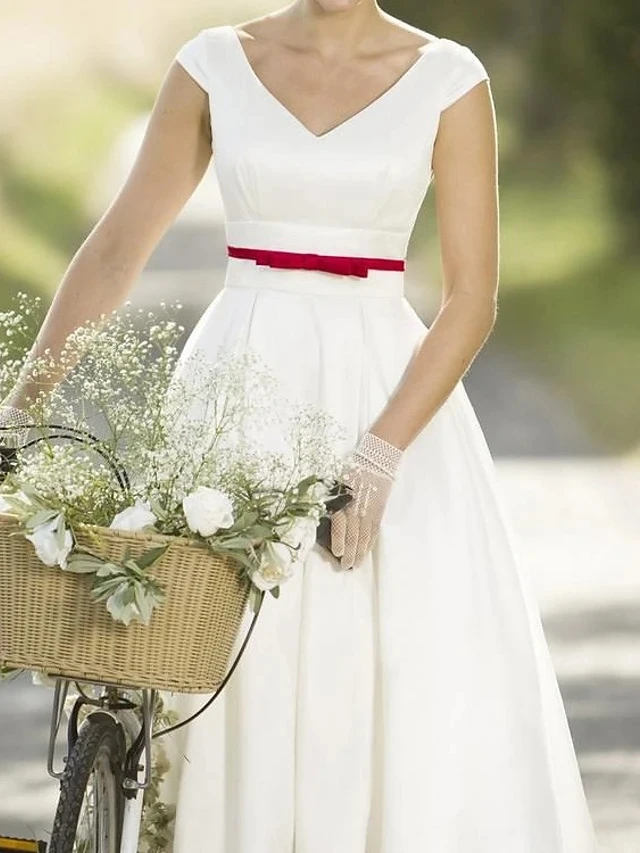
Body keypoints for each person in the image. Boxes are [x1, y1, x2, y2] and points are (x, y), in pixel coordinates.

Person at [0, 2, 601, 851]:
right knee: (222, 654)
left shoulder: (449, 79)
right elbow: (117, 245)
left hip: (386, 391)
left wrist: (382, 449)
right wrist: (22, 406)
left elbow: (472, 299)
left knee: (386, 665)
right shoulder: (212, 64)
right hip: (236, 384)